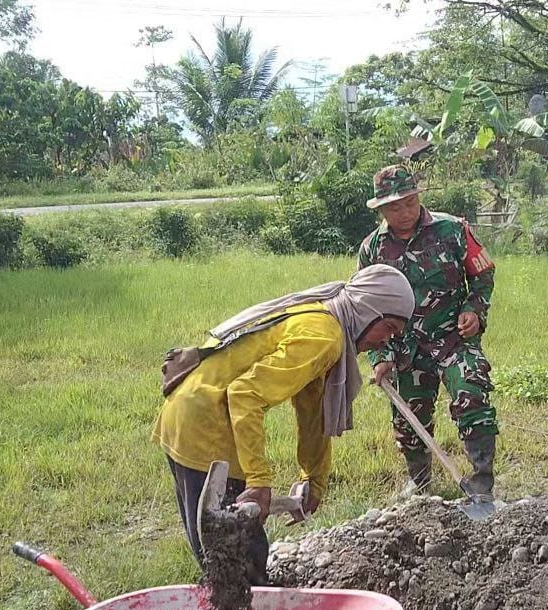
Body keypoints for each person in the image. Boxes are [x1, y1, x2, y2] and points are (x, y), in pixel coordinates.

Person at [152, 265, 415, 581]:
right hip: (204, 425)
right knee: (232, 564)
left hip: (192, 411)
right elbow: (244, 394)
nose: (386, 340)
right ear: (367, 311)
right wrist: (258, 482)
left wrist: (314, 479)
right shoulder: (324, 336)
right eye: (388, 327)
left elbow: (311, 410)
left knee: (241, 559)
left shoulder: (324, 321)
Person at [358, 165, 499, 503]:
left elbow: (483, 275)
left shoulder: (452, 230)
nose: (404, 213)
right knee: (409, 419)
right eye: (394, 207)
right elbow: (366, 306)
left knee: (472, 395)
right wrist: (379, 357)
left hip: (453, 339)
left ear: (418, 196)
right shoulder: (372, 250)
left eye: (409, 202)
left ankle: (481, 484)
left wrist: (474, 311)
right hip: (405, 348)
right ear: (380, 208)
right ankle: (419, 482)